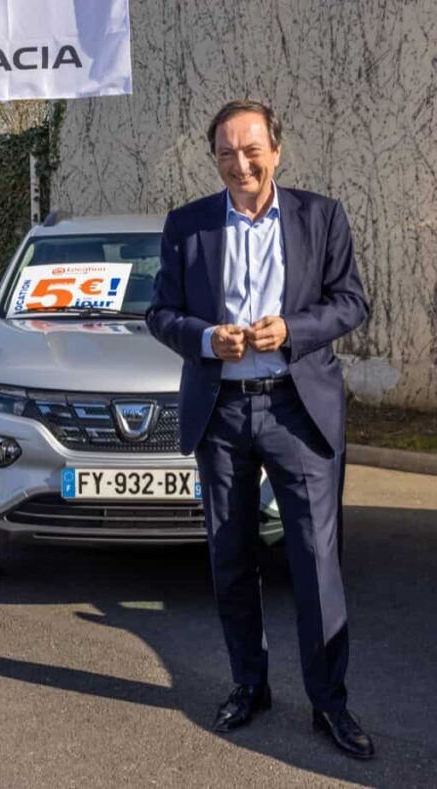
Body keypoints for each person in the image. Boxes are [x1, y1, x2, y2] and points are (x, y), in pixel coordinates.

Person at [146, 100, 374, 759]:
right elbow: (159, 314)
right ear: (213, 157)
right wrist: (208, 339)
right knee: (230, 557)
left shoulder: (320, 216)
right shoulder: (188, 226)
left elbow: (351, 300)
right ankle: (250, 684)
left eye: (250, 150)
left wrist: (293, 331)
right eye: (225, 152)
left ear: (276, 149)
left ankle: (329, 703)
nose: (238, 163)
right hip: (221, 412)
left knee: (314, 561)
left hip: (296, 410)